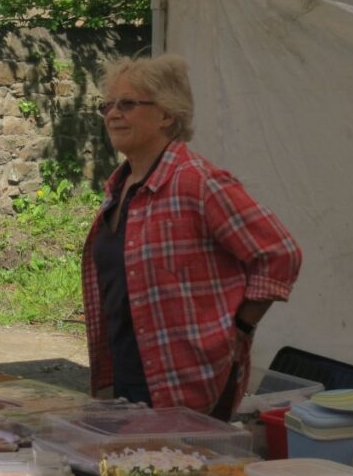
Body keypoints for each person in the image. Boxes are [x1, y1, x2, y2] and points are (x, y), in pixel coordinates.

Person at [82, 54, 301, 419]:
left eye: (128, 104)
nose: (113, 114)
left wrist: (241, 327)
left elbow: (280, 253)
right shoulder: (120, 186)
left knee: (185, 474)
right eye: (108, 105)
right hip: (129, 371)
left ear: (167, 114)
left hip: (189, 380)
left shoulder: (197, 181)